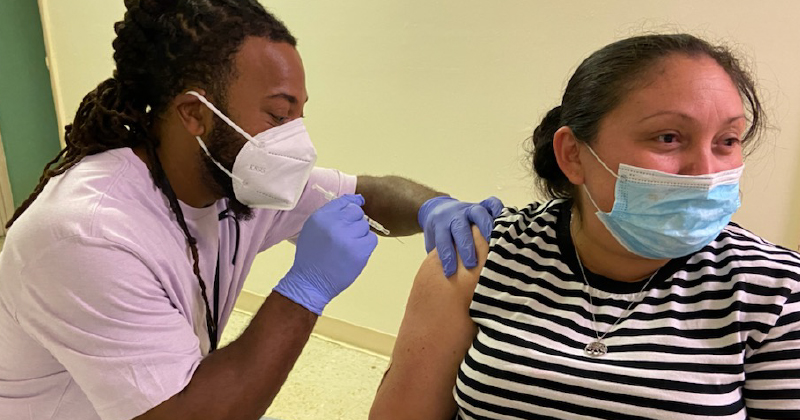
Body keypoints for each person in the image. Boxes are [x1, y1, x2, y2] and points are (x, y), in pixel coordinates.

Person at [0, 1, 503, 420]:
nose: (296, 140)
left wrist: (434, 207)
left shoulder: (232, 176)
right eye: (279, 115)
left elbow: (370, 192)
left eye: (299, 114)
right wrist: (306, 289)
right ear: (195, 113)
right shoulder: (88, 233)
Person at [370, 33, 800, 419]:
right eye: (668, 137)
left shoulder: (775, 290)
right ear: (573, 154)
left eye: (727, 141)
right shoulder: (479, 255)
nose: (704, 172)